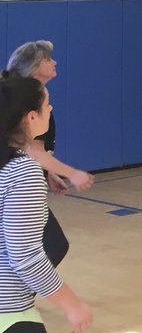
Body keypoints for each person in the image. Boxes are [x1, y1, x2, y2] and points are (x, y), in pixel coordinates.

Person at [0, 76, 92, 333]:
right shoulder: (22, 173)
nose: (51, 108)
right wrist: (71, 303)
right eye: (47, 104)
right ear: (31, 118)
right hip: (9, 321)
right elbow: (24, 256)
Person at [4, 41, 94, 266]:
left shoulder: (30, 94)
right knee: (52, 247)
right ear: (34, 66)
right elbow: (31, 149)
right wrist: (72, 173)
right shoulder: (25, 99)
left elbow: (32, 150)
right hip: (12, 182)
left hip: (14, 177)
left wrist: (47, 173)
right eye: (47, 59)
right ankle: (15, 296)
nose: (54, 62)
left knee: (47, 247)